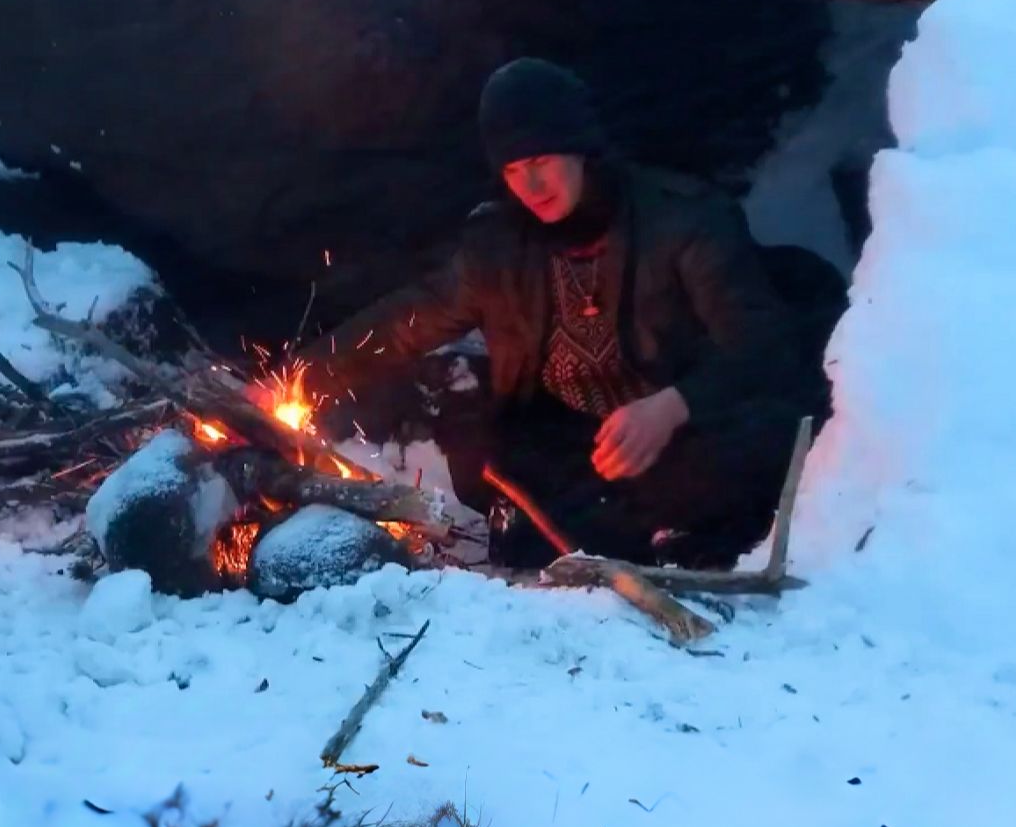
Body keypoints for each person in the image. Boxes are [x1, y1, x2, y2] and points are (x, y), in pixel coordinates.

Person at [270, 57, 828, 569]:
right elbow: (410, 318)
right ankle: (615, 528)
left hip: (684, 430)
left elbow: (761, 346)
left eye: (540, 161)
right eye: (513, 171)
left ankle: (645, 527)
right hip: (574, 442)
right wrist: (295, 380)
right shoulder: (499, 242)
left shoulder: (683, 221)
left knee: (760, 444)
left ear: (581, 149)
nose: (530, 185)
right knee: (488, 453)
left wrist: (671, 408)